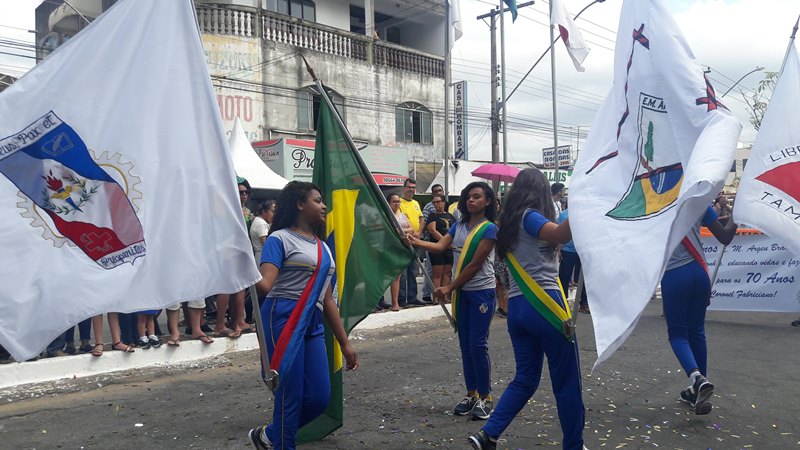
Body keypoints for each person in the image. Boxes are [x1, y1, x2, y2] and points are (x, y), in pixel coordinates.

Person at [468, 168, 584, 450]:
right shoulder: (530, 216)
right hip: (545, 305)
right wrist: (584, 203)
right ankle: (573, 445)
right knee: (567, 382)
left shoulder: (505, 224)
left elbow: (504, 273)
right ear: (541, 191)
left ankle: (488, 434)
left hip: (519, 309)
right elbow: (560, 235)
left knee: (525, 379)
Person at [248, 181, 359, 450]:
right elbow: (265, 285)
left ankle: (269, 435)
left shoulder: (324, 247)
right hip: (282, 318)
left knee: (319, 398)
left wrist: (345, 343)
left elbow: (327, 299)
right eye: (318, 200)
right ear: (300, 204)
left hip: (312, 324)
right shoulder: (279, 239)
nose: (324, 206)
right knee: (290, 397)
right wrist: (242, 269)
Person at [412, 181, 498, 421]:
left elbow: (474, 265)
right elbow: (440, 245)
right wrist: (415, 241)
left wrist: (449, 286)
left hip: (481, 292)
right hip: (462, 294)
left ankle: (486, 397)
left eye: (477, 197)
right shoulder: (459, 225)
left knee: (478, 345)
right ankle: (471, 394)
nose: (472, 200)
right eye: (469, 196)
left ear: (487, 202)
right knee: (465, 344)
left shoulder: (489, 229)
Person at [663, 204, 736, 415]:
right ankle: (699, 391)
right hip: (699, 273)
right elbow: (725, 236)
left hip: (674, 275)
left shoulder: (655, 203)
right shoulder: (699, 200)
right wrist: (738, 213)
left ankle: (696, 378)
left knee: (677, 334)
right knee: (696, 332)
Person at [398, 178, 425, 307]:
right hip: (404, 242)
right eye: (409, 187)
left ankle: (412, 297)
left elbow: (421, 219)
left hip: (416, 241)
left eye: (413, 188)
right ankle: (401, 299)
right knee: (402, 272)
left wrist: (419, 233)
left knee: (413, 271)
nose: (412, 190)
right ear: (404, 188)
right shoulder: (399, 202)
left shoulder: (416, 203)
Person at [558, 205, 589, 314]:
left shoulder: (587, 213)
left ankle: (584, 303)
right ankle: (563, 304)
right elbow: (558, 232)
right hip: (567, 250)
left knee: (583, 279)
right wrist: (558, 250)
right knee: (564, 278)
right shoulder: (564, 215)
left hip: (582, 251)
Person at [425, 194, 455, 304]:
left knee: (447, 273)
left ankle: (445, 296)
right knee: (437, 273)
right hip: (437, 247)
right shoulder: (432, 216)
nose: (436, 204)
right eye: (434, 202)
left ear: (443, 202)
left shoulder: (450, 216)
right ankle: (436, 297)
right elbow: (432, 230)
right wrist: (444, 242)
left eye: (438, 202)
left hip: (450, 248)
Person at [421, 184, 446, 303]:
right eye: (435, 191)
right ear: (432, 193)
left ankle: (443, 296)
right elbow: (427, 226)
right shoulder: (428, 208)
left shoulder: (446, 210)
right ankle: (427, 294)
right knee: (431, 270)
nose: (438, 192)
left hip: (446, 246)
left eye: (440, 190)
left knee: (444, 272)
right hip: (431, 243)